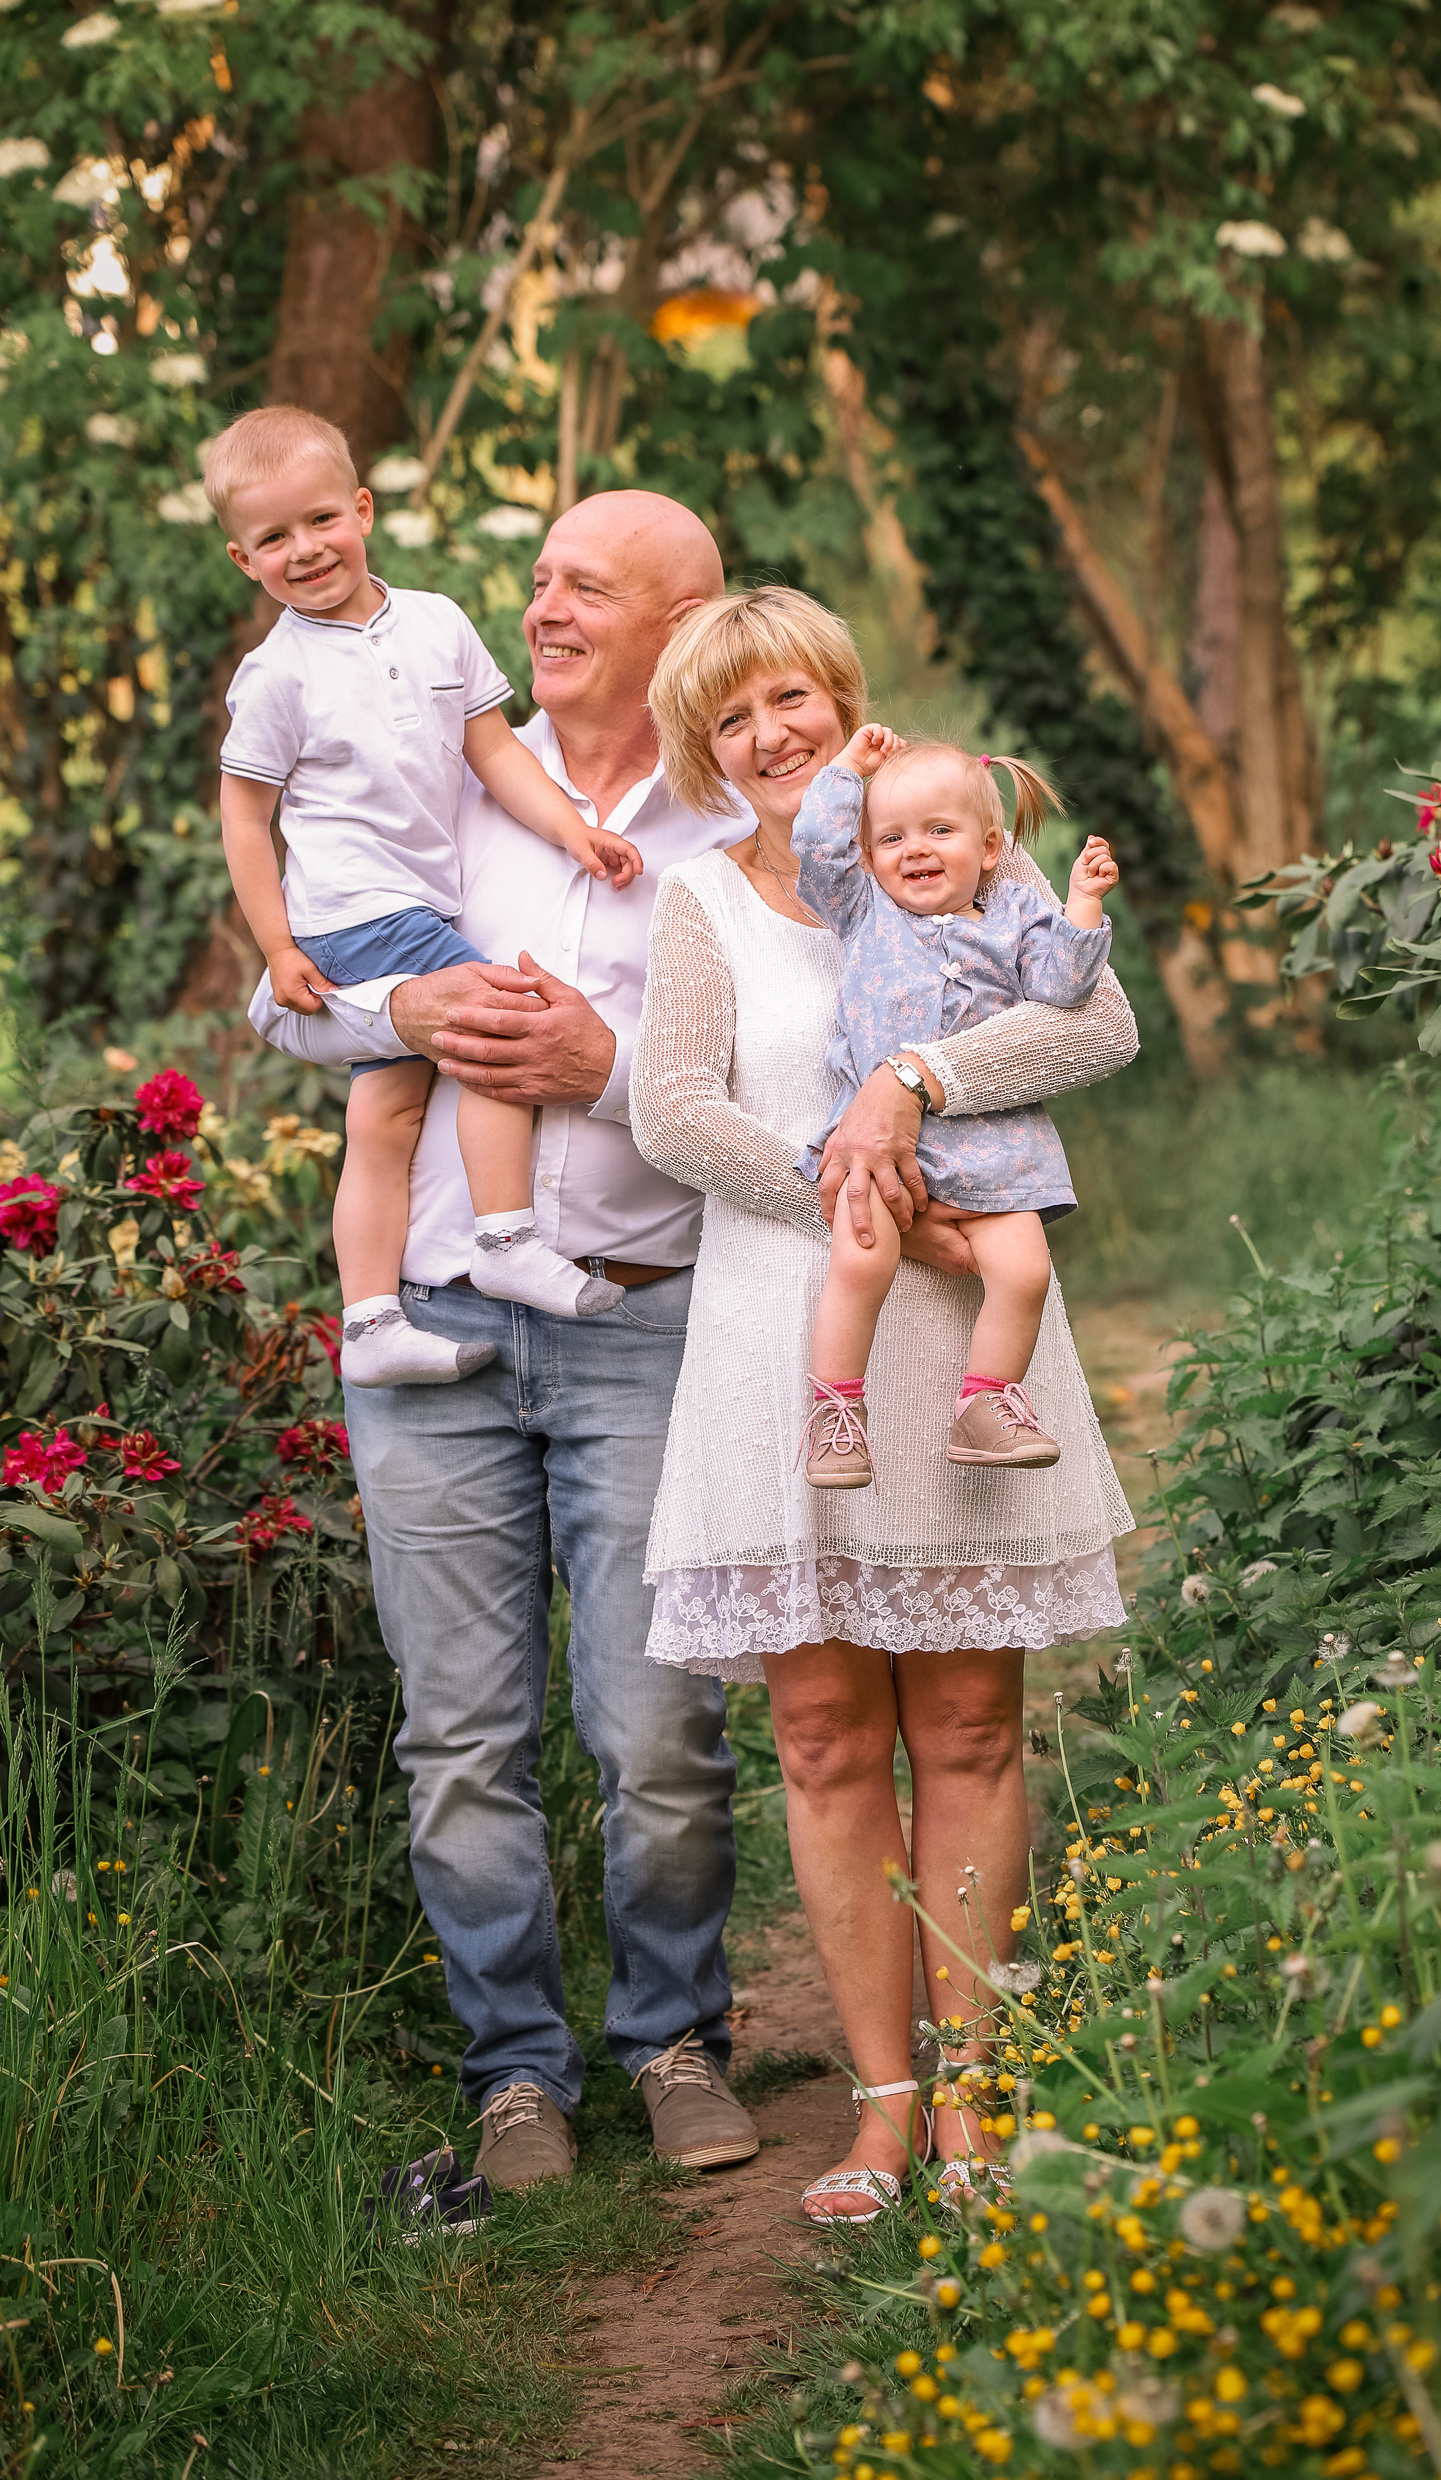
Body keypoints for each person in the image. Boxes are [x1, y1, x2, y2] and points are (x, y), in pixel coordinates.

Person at [245, 489, 768, 2197]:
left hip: (644, 1317)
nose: (543, 608)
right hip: (433, 1326)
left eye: (587, 589)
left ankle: (679, 2037)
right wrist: (400, 1010)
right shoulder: (428, 762)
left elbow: (809, 1064)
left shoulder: (741, 819)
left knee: (653, 1727)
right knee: (459, 1736)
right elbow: (283, 990)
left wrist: (602, 1071)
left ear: (682, 618)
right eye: (539, 577)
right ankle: (513, 2080)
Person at [630, 585, 1137, 2223]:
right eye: (731, 719)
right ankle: (879, 2109)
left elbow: (1099, 1016)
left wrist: (910, 1086)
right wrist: (852, 1187)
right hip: (797, 1322)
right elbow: (673, 1112)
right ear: (703, 752)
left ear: (838, 701)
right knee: (826, 1737)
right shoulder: (705, 900)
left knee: (971, 1726)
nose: (769, 736)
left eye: (789, 699)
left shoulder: (945, 844)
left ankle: (979, 2110)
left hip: (960, 1337)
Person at [211, 406, 644, 1391]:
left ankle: (367, 1320)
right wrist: (279, 946)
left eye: (321, 518)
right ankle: (504, 1235)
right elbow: (245, 820)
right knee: (496, 1018)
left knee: (385, 1117)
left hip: (418, 902)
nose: (305, 549)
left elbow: (491, 750)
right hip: (358, 909)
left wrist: (571, 829)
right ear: (245, 560)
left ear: (362, 509)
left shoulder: (440, 621)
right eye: (273, 538)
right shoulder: (277, 675)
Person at [790, 724, 1121, 1488]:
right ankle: (836, 1414)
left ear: (991, 845)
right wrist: (846, 770)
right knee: (858, 1260)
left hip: (997, 1145)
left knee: (1023, 1271)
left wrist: (1079, 905)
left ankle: (985, 1404)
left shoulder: (1012, 917)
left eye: (939, 831)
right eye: (891, 838)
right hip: (881, 1146)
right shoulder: (863, 911)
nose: (914, 850)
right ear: (868, 857)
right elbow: (816, 845)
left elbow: (1064, 990)